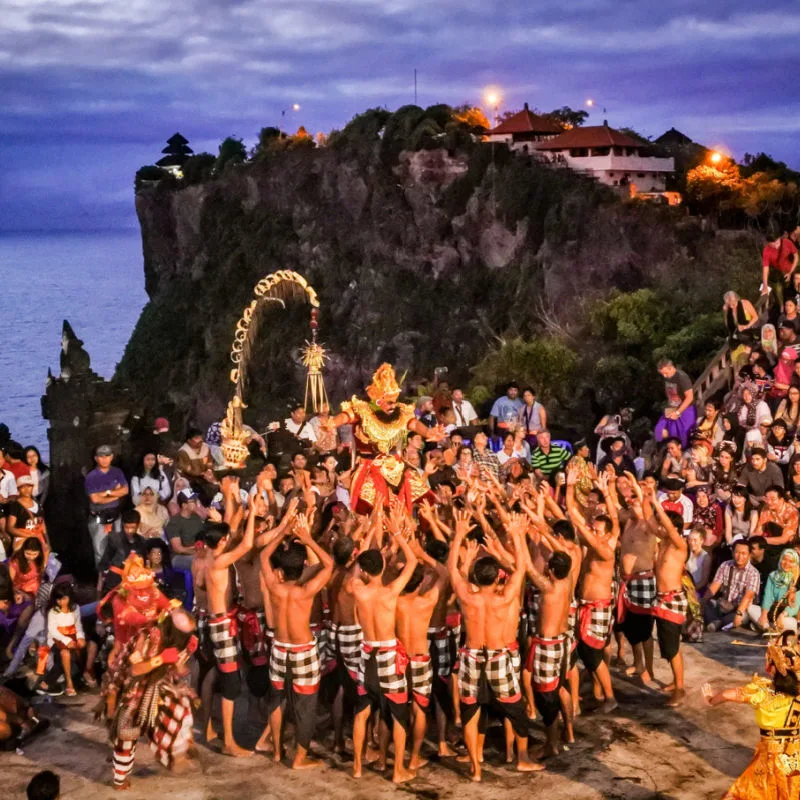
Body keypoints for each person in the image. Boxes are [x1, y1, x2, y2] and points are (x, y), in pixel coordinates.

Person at [447, 510, 542, 780]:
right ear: (496, 577)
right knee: (516, 709)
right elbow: (521, 569)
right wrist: (517, 535)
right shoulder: (504, 597)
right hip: (498, 656)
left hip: (471, 656)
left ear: (475, 577)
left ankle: (475, 768)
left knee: (471, 711)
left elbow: (452, 568)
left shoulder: (467, 596)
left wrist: (459, 535)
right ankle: (522, 758)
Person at [260, 512, 333, 769]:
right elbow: (328, 564)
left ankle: (277, 751)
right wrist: (307, 538)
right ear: (302, 568)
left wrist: (283, 530)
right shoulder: (306, 590)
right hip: (303, 650)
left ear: (280, 571)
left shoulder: (275, 587)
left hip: (280, 647)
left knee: (276, 699)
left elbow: (263, 556)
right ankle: (299, 758)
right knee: (306, 705)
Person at [350, 509, 419, 783]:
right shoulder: (391, 591)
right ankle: (398, 770)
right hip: (389, 655)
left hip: (367, 654)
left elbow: (357, 568)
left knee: (362, 712)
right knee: (399, 714)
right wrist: (397, 533)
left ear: (365, 571)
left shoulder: (358, 588)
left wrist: (368, 535)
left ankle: (357, 766)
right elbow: (412, 561)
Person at [324, 363, 442, 514]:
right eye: (389, 402)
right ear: (379, 400)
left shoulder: (401, 413)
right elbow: (346, 417)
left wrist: (428, 432)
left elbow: (413, 424)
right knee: (369, 508)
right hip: (368, 468)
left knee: (426, 499)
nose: (393, 405)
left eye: (394, 401)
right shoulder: (363, 411)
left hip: (395, 466)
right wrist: (333, 423)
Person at [101, 607, 198, 790]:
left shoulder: (188, 642)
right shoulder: (147, 637)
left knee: (181, 705)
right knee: (127, 732)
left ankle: (175, 750)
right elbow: (135, 669)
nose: (187, 637)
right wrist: (161, 659)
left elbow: (179, 669)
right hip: (130, 686)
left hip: (156, 684)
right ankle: (119, 778)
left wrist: (178, 667)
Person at [702, 632, 800, 799]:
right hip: (795, 756)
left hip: (771, 757)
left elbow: (728, 694)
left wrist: (711, 700)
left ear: (772, 668)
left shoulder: (762, 691)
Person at [201, 492, 254, 757]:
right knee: (231, 684)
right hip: (223, 625)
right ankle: (229, 742)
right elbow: (246, 544)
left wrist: (237, 512)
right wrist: (251, 513)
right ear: (220, 541)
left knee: (218, 675)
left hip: (217, 621)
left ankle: (210, 726)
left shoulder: (208, 557)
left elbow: (231, 534)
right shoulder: (220, 561)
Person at [566, 470, 618, 713]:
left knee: (594, 655)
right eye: (593, 529)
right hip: (588, 605)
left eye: (597, 530)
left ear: (606, 533)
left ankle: (610, 696)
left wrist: (581, 523)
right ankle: (599, 692)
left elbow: (579, 522)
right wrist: (570, 486)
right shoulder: (608, 535)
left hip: (597, 607)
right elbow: (575, 512)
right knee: (588, 654)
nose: (593, 532)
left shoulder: (606, 549)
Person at [650, 500, 688, 706]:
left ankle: (680, 689)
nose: (660, 528)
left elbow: (669, 528)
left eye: (663, 525)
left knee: (671, 646)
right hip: (661, 599)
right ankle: (676, 681)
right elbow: (650, 523)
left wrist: (656, 503)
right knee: (668, 645)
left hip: (673, 600)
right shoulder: (663, 543)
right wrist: (644, 498)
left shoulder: (680, 545)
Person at [85, 445, 129, 567]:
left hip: (115, 515)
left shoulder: (117, 472)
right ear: (96, 458)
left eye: (107, 456)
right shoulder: (91, 476)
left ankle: (116, 575)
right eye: (101, 456)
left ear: (112, 457)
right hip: (98, 517)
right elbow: (95, 499)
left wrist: (106, 493)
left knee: (119, 548)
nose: (104, 459)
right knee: (100, 550)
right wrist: (116, 493)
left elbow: (125, 490)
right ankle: (102, 576)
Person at [39, 582, 85, 697]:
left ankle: (80, 677)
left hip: (72, 635)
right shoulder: (53, 611)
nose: (61, 602)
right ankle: (68, 683)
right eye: (58, 599)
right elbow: (52, 630)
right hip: (56, 639)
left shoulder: (76, 608)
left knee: (83, 647)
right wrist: (66, 641)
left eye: (64, 599)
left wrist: (80, 637)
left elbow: (78, 625)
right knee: (64, 653)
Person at [703, 540, 761, 631]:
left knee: (735, 619)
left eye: (743, 553)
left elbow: (748, 596)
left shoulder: (754, 573)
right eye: (737, 552)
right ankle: (716, 622)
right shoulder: (725, 565)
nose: (740, 556)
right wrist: (702, 602)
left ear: (749, 555)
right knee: (707, 603)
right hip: (723, 604)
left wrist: (739, 613)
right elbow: (714, 587)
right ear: (732, 552)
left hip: (740, 608)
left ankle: (716, 623)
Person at [747, 548, 800, 634]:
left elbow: (795, 605)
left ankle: (765, 628)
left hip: (786, 616)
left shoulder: (797, 579)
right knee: (750, 608)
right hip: (771, 613)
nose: (787, 563)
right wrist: (764, 615)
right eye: (784, 559)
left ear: (796, 563)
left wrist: (782, 615)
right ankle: (768, 628)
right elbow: (768, 597)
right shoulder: (772, 576)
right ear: (780, 559)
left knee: (791, 623)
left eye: (791, 561)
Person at [97, 510, 148, 595]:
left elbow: (144, 566)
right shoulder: (114, 539)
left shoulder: (142, 542)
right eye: (126, 527)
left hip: (134, 584)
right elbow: (104, 563)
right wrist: (98, 590)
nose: (129, 531)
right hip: (115, 583)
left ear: (138, 525)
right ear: (122, 525)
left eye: (133, 527)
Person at [654, 359, 696, 448]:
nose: (664, 376)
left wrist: (678, 412)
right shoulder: (667, 378)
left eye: (666, 373)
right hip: (671, 407)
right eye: (662, 374)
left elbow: (690, 397)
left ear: (671, 368)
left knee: (678, 434)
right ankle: (664, 448)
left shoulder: (682, 377)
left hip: (685, 408)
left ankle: (680, 450)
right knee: (659, 431)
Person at [165, 489, 204, 572]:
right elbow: (178, 549)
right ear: (184, 505)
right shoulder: (174, 523)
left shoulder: (196, 517)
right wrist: (197, 553)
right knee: (202, 562)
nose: (196, 503)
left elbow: (202, 537)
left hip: (198, 552)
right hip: (179, 557)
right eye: (193, 501)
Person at [761, 228, 798, 305]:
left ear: (779, 238)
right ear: (768, 243)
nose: (776, 246)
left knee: (797, 282)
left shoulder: (787, 242)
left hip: (793, 267)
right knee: (779, 288)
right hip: (781, 271)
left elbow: (796, 256)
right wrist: (765, 286)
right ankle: (781, 306)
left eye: (777, 243)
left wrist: (791, 272)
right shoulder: (766, 251)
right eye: (772, 244)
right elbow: (765, 269)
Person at [686, 529, 711, 595]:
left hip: (699, 589)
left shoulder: (705, 557)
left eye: (695, 540)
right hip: (687, 586)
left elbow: (704, 581)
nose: (692, 543)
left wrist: (692, 590)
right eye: (690, 540)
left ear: (701, 541)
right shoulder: (687, 553)